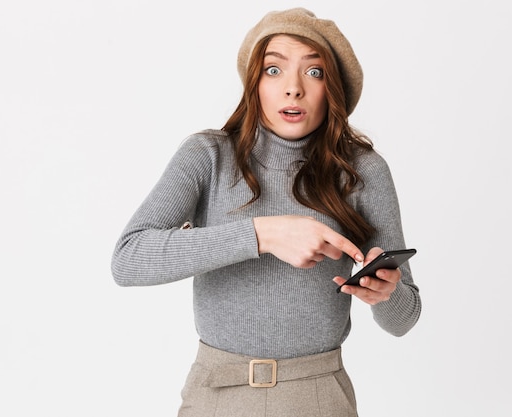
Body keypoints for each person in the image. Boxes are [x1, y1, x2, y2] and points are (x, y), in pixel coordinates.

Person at [111, 7, 421, 417]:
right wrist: (263, 234)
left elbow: (404, 319)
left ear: (334, 90)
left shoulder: (361, 171)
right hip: (216, 395)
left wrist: (386, 293)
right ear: (254, 82)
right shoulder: (208, 156)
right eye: (274, 70)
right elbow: (129, 259)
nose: (293, 88)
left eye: (314, 73)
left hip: (318, 396)